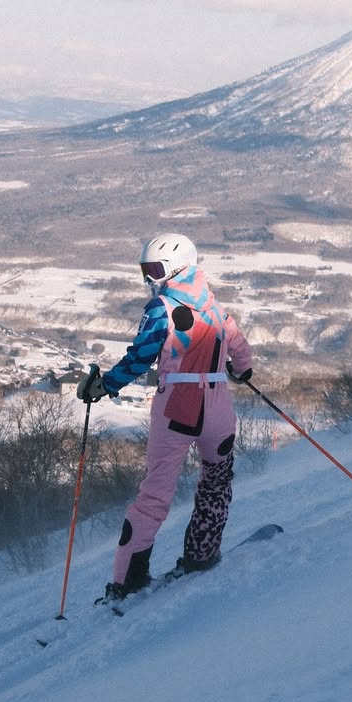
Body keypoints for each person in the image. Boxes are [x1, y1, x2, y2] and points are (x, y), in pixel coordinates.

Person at [77, 233, 253, 601]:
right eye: (146, 270)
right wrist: (241, 370)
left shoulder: (162, 309)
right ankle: (202, 554)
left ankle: (128, 581)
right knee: (216, 481)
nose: (149, 279)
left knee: (155, 493)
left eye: (154, 270)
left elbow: (140, 357)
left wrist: (105, 385)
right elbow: (240, 348)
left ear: (176, 267)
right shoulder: (216, 309)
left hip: (176, 407)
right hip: (219, 408)